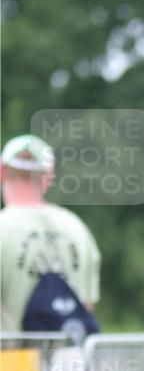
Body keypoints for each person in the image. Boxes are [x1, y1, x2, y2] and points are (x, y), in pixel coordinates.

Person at [0, 134, 101, 339]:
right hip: (69, 357)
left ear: (2, 171)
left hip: (11, 357)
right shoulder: (77, 228)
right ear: (48, 177)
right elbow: (86, 306)